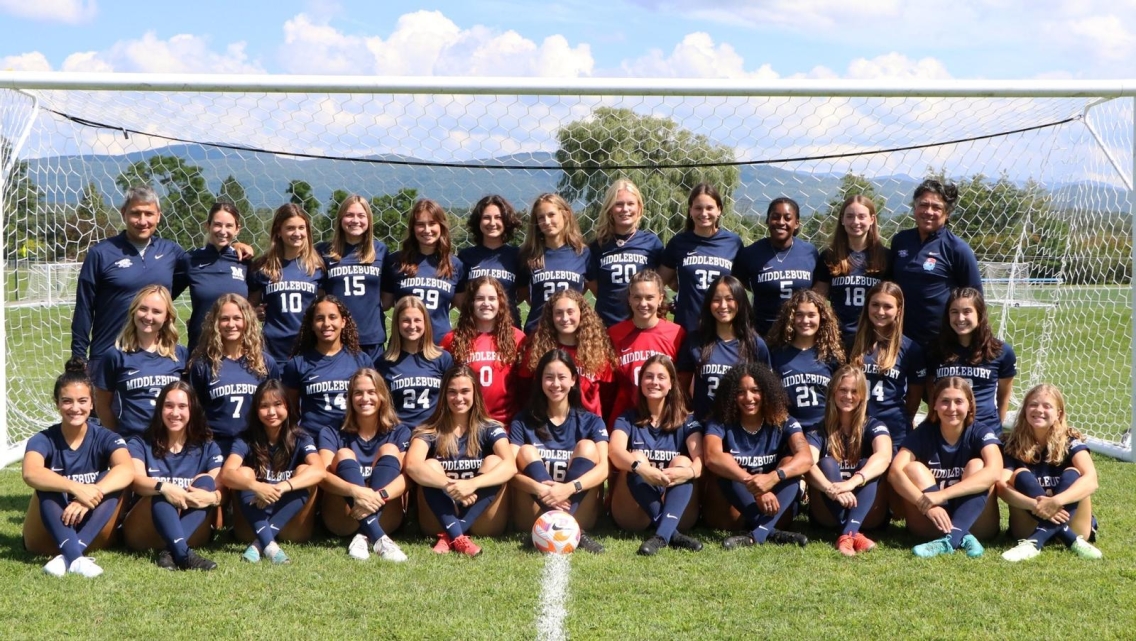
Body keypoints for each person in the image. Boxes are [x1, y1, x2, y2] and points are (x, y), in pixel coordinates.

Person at [22, 359, 133, 577]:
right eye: (67, 401)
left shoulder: (105, 436)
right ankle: (76, 556)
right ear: (57, 403)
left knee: (112, 480)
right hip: (44, 535)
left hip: (89, 528)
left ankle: (70, 556)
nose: (75, 408)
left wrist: (91, 493)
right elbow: (31, 472)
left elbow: (127, 469)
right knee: (48, 482)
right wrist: (76, 488)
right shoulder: (43, 439)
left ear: (92, 404)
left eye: (82, 401)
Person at [71, 185, 186, 377]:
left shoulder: (171, 252)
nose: (142, 221)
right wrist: (78, 357)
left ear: (159, 215)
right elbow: (84, 307)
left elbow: (205, 272)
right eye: (136, 213)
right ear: (124, 213)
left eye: (149, 214)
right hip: (108, 356)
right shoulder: (100, 253)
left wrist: (235, 249)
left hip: (155, 357)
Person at [405, 364, 517, 557]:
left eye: (465, 391)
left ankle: (450, 536)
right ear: (444, 395)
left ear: (475, 394)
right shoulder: (429, 429)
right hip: (441, 514)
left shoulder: (490, 427)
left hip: (483, 517)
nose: (459, 398)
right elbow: (412, 465)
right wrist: (451, 487)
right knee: (429, 466)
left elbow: (510, 466)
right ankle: (456, 534)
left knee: (494, 462)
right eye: (452, 392)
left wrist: (472, 484)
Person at [889, 377, 1002, 558]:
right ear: (934, 405)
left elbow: (995, 471)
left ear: (970, 405)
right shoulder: (924, 432)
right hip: (932, 523)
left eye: (958, 401)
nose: (951, 409)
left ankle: (952, 537)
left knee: (978, 466)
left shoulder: (980, 431)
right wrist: (926, 504)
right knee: (913, 469)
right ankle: (960, 536)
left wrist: (942, 495)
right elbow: (895, 472)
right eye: (945, 401)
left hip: (978, 525)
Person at [703, 362, 812, 548]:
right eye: (740, 392)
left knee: (789, 464)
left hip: (773, 507)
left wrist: (773, 477)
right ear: (731, 396)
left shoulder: (783, 420)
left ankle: (758, 534)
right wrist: (755, 485)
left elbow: (806, 457)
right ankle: (770, 531)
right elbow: (712, 457)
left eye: (755, 390)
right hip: (733, 509)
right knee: (725, 465)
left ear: (767, 392)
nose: (749, 398)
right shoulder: (720, 421)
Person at [509, 350, 609, 554]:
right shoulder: (523, 420)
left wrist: (569, 488)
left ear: (573, 379)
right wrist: (542, 490)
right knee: (526, 451)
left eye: (562, 377)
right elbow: (509, 471)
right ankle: (568, 528)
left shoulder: (591, 421)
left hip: (578, 508)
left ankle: (570, 525)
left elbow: (604, 469)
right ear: (540, 381)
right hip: (534, 512)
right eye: (549, 377)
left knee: (587, 447)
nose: (555, 384)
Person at [122, 381, 223, 571]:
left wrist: (212, 497)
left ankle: (172, 552)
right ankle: (184, 555)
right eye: (168, 406)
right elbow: (135, 481)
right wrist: (165, 487)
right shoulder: (140, 443)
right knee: (160, 491)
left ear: (192, 409)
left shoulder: (207, 446)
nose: (175, 413)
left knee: (206, 481)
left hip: (193, 528)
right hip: (146, 529)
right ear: (160, 409)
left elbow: (220, 485)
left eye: (182, 406)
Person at [609, 355, 704, 556]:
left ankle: (661, 535)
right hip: (633, 513)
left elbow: (700, 461)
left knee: (683, 461)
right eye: (649, 376)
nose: (654, 382)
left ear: (671, 384)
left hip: (678, 510)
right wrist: (643, 470)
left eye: (661, 377)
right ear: (641, 381)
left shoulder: (687, 419)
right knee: (636, 459)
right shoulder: (627, 417)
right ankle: (670, 533)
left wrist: (687, 472)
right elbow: (615, 452)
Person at [222, 379, 324, 564]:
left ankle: (260, 544)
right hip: (252, 521)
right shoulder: (245, 439)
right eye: (264, 406)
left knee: (305, 471)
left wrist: (282, 487)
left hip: (290, 523)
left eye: (278, 404)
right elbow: (226, 474)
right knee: (244, 473)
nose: (271, 412)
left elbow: (319, 471)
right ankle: (268, 543)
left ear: (287, 406)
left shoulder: (301, 437)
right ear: (255, 410)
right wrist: (256, 487)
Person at [998, 384, 1102, 561]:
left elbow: (1092, 480)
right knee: (1020, 474)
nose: (1039, 410)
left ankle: (1035, 541)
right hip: (1027, 523)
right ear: (1024, 410)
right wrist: (1035, 505)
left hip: (1074, 522)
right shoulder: (1011, 443)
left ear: (1059, 414)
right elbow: (1001, 487)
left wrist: (1055, 502)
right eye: (1033, 404)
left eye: (1047, 406)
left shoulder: (1071, 440)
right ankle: (1069, 539)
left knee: (1074, 473)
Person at [318, 369, 411, 562]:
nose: (365, 398)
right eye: (358, 393)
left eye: (371, 392)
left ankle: (365, 535)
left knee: (390, 450)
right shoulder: (331, 431)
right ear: (350, 398)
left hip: (386, 513)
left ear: (382, 396)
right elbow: (323, 477)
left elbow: (408, 477)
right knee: (344, 454)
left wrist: (378, 496)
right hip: (343, 516)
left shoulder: (399, 431)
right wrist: (355, 492)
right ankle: (378, 537)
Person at [803, 366, 892, 556]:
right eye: (843, 390)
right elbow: (807, 462)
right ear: (833, 392)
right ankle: (852, 533)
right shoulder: (818, 430)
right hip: (827, 511)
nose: (848, 396)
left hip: (870, 513)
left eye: (854, 391)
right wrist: (831, 489)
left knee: (868, 464)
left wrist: (852, 482)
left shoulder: (874, 425)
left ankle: (847, 534)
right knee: (826, 463)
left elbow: (884, 456)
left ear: (862, 396)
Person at [890, 179, 982, 350]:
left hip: (940, 343)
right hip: (900, 340)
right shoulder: (900, 241)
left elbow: (976, 300)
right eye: (923, 204)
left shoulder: (958, 249)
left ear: (947, 213)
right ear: (914, 207)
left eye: (937, 207)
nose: (928, 211)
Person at [187, 293, 279, 457]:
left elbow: (277, 406)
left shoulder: (266, 363)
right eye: (224, 319)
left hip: (256, 447)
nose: (231, 324)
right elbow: (195, 412)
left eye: (237, 318)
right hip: (216, 447)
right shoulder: (202, 365)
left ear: (247, 321)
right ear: (215, 323)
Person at [93, 285, 189, 438]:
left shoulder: (180, 354)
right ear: (133, 311)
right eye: (143, 309)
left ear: (167, 317)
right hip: (133, 441)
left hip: (171, 442)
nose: (148, 316)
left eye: (157, 311)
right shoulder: (115, 355)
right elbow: (102, 405)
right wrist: (119, 437)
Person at [676, 275, 770, 421]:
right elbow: (682, 387)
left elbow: (767, 390)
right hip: (704, 426)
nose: (723, 305)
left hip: (740, 427)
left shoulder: (755, 344)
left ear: (740, 302)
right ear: (708, 303)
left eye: (729, 299)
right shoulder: (695, 340)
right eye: (716, 300)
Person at [282, 295, 372, 440]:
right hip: (314, 439)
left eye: (332, 317)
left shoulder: (361, 360)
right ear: (311, 324)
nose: (326, 324)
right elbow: (291, 411)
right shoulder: (297, 364)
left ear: (343, 322)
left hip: (353, 439)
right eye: (319, 318)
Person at [928, 287, 1016, 435]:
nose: (960, 318)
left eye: (967, 311)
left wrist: (995, 428)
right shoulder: (935, 349)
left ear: (980, 315)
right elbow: (931, 392)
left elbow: (1003, 398)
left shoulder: (1001, 351)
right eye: (954, 312)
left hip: (985, 427)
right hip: (947, 428)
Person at [848, 282, 926, 447]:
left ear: (898, 310)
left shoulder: (910, 348)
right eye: (875, 304)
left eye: (887, 306)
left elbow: (914, 397)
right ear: (867, 306)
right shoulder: (850, 344)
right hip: (854, 427)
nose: (880, 311)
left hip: (894, 430)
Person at [517, 289, 616, 418]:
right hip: (548, 427)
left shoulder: (598, 351)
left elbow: (608, 396)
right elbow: (524, 391)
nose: (565, 318)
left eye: (570, 312)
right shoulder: (536, 350)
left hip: (589, 429)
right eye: (558, 313)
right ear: (551, 316)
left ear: (581, 313)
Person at [658, 183, 743, 333]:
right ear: (690, 210)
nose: (704, 213)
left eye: (709, 208)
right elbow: (660, 282)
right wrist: (684, 289)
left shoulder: (733, 242)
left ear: (719, 210)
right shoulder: (679, 242)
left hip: (722, 327)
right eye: (698, 208)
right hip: (687, 327)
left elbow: (739, 284)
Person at [440, 276, 527, 424]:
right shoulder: (453, 339)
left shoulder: (517, 338)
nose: (486, 304)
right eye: (480, 298)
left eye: (492, 299)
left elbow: (525, 385)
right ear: (471, 303)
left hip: (504, 423)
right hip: (465, 423)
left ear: (500, 303)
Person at [606, 269, 685, 425]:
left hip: (663, 420)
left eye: (649, 297)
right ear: (629, 299)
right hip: (624, 420)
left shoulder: (676, 333)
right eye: (637, 297)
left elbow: (681, 383)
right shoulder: (614, 334)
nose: (643, 304)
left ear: (660, 298)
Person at [248, 204, 325, 361]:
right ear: (278, 231)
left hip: (308, 349)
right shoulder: (263, 267)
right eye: (290, 228)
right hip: (273, 351)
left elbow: (325, 305)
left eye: (301, 228)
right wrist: (255, 312)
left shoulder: (317, 267)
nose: (297, 233)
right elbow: (249, 306)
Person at [733, 197, 820, 336]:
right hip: (763, 333)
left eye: (787, 218)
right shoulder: (751, 253)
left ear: (796, 223)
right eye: (775, 217)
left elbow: (817, 289)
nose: (781, 222)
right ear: (767, 220)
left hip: (800, 333)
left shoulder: (809, 252)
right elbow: (741, 283)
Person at [318, 195, 390, 362]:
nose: (355, 220)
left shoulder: (381, 251)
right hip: (335, 336)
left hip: (370, 338)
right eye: (349, 215)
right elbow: (319, 293)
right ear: (340, 218)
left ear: (369, 219)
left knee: (371, 387)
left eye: (361, 215)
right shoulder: (324, 251)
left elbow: (387, 299)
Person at [382, 198, 465, 340]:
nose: (427, 230)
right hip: (404, 345)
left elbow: (463, 306)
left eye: (432, 224)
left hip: (441, 345)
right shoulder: (396, 262)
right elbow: (384, 303)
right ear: (412, 228)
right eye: (420, 224)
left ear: (441, 226)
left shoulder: (454, 264)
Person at [813, 194, 890, 347]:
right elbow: (818, 300)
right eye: (850, 216)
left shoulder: (886, 257)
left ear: (872, 219)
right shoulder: (829, 256)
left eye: (862, 216)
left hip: (873, 338)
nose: (856, 222)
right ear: (842, 220)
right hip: (837, 337)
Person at [178, 201, 253, 354]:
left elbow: (256, 300)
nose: (223, 231)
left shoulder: (245, 261)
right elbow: (165, 295)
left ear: (237, 229)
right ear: (208, 226)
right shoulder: (190, 260)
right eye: (218, 224)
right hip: (200, 350)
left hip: (238, 351)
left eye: (229, 226)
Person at [588, 179, 664, 327]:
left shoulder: (652, 243)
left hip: (641, 324)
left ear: (639, 208)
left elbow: (661, 282)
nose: (625, 209)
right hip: (607, 325)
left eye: (630, 204)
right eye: (619, 204)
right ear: (610, 209)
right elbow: (597, 288)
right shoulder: (598, 246)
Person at [767, 289, 845, 432]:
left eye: (811, 315)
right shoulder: (777, 354)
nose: (805, 321)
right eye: (799, 315)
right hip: (789, 431)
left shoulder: (832, 356)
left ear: (822, 317)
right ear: (791, 318)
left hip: (825, 430)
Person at [517, 193, 595, 332]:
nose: (546, 221)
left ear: (565, 215)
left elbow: (593, 288)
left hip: (570, 333)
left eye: (551, 215)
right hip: (538, 331)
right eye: (541, 217)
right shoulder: (529, 255)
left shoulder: (582, 253)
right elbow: (523, 293)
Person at [377, 296, 456, 428]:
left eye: (417, 320)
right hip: (400, 433)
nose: (412, 326)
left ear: (425, 323)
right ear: (397, 323)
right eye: (406, 321)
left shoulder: (443, 358)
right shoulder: (384, 362)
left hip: (434, 431)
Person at [458, 194, 524, 329]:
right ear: (478, 221)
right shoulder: (466, 256)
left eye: (498, 217)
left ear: (506, 221)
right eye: (486, 217)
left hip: (509, 329)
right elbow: (460, 294)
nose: (492, 223)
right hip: (474, 329)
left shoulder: (517, 255)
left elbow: (524, 292)